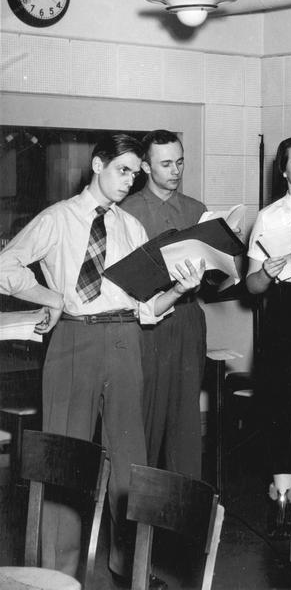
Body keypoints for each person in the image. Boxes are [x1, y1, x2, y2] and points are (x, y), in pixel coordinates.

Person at [0, 133, 202, 584]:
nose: (130, 180)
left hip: (126, 340)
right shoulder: (58, 217)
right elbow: (5, 266)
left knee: (130, 462)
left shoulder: (131, 227)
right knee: (64, 460)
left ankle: (132, 569)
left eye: (134, 173)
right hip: (74, 339)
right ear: (97, 165)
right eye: (122, 170)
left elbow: (147, 306)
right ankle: (56, 575)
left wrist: (178, 290)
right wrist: (50, 297)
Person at [120, 129, 207, 479]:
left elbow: (218, 281)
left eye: (180, 162)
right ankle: (136, 510)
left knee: (186, 426)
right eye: (166, 164)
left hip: (188, 321)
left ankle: (185, 511)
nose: (176, 171)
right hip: (146, 325)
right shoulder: (126, 212)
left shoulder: (196, 210)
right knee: (144, 422)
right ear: (145, 166)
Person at [245, 136, 291, 518]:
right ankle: (282, 495)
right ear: (283, 171)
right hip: (286, 309)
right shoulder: (269, 217)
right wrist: (266, 272)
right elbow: (251, 285)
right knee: (283, 401)